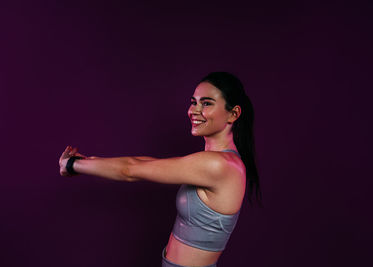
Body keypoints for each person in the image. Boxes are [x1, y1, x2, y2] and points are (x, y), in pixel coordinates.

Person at [59, 72, 261, 267]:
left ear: (233, 113)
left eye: (206, 103)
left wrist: (72, 165)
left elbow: (131, 170)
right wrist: (90, 160)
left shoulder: (219, 165)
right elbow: (142, 162)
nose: (194, 110)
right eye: (193, 102)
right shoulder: (213, 161)